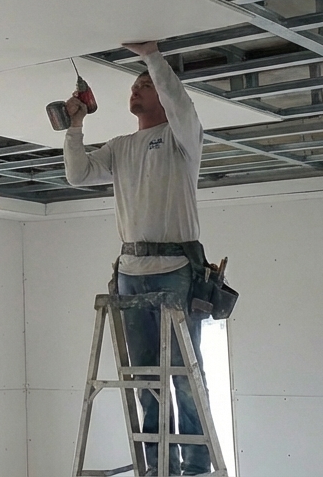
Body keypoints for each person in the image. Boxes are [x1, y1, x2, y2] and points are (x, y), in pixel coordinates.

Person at [62, 41, 211, 476]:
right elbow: (78, 174)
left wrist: (152, 59)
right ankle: (159, 464)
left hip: (175, 271)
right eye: (134, 86)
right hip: (130, 272)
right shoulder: (121, 145)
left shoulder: (181, 138)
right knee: (144, 377)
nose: (137, 90)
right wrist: (74, 128)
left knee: (183, 373)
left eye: (145, 85)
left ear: (163, 94)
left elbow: (181, 102)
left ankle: (196, 464)